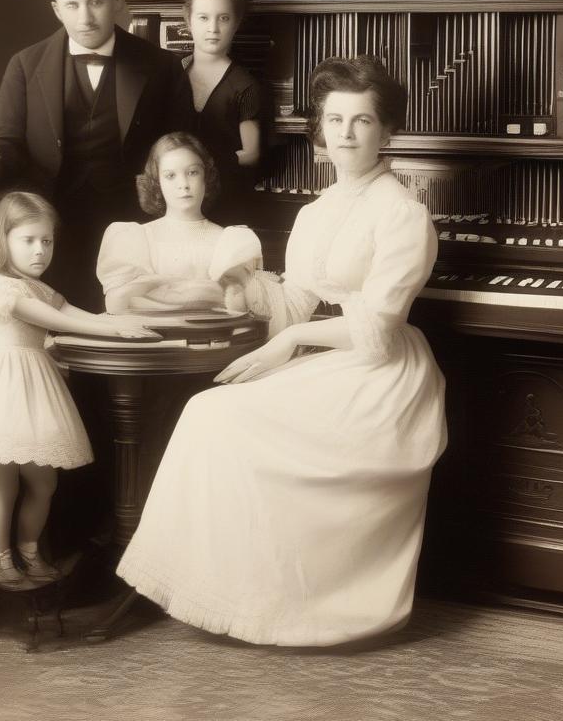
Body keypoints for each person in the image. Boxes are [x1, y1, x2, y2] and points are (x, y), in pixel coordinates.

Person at [115, 56, 448, 646]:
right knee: (207, 412)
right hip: (323, 359)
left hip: (378, 372)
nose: (346, 133)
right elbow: (296, 296)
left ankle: (294, 605)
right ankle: (236, 593)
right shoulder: (316, 211)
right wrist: (239, 292)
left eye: (362, 121)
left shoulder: (404, 214)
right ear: (321, 128)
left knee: (221, 415)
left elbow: (376, 327)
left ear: (387, 131)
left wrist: (290, 341)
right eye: (335, 119)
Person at [0, 192, 155, 589]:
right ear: (4, 240)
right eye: (28, 240)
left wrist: (116, 319)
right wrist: (111, 328)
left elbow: (69, 312)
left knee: (44, 482)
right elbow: (52, 319)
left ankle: (29, 551)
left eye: (47, 241)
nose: (40, 250)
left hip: (32, 388)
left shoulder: (37, 286)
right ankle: (1, 562)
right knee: (4, 485)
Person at [0, 0, 194, 310]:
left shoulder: (162, 66)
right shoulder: (25, 65)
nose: (85, 17)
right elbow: (4, 139)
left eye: (95, 2)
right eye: (72, 5)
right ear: (56, 9)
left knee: (129, 331)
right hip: (52, 229)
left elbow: (184, 146)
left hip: (134, 225)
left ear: (117, 0)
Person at [97, 133, 263, 315]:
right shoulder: (135, 237)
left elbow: (237, 309)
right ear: (156, 182)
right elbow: (116, 306)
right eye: (170, 176)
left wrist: (155, 289)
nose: (183, 184)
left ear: (206, 177)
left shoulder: (230, 241)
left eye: (192, 172)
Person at [182, 0, 265, 222]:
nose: (213, 29)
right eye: (204, 18)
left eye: (224, 18)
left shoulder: (245, 86)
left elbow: (251, 154)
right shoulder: (170, 73)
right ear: (188, 21)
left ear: (236, 23)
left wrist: (203, 166)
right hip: (175, 198)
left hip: (224, 200)